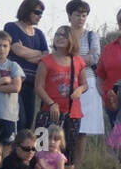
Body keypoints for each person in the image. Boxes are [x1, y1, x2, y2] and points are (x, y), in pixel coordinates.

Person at [34, 25, 87, 161]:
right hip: (50, 111)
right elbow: (39, 87)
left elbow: (84, 84)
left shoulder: (78, 61)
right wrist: (51, 103)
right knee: (43, 148)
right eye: (57, 35)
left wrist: (79, 90)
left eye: (63, 35)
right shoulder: (46, 61)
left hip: (72, 111)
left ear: (71, 39)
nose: (59, 38)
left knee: (68, 151)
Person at [67, 0, 104, 164]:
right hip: (65, 81)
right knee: (64, 127)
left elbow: (95, 57)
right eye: (77, 15)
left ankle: (77, 166)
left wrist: (72, 60)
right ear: (70, 15)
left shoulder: (91, 35)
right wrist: (82, 59)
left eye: (84, 15)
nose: (81, 18)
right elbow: (57, 55)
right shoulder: (63, 33)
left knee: (83, 129)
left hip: (88, 81)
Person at [6, 0, 48, 132]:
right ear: (27, 10)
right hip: (15, 81)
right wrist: (37, 53)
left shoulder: (39, 34)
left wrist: (26, 54)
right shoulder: (11, 27)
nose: (39, 16)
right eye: (37, 12)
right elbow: (17, 50)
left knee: (28, 121)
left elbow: (46, 57)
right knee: (19, 119)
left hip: (32, 83)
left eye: (41, 13)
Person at [0, 30, 24, 146]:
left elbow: (16, 87)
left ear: (10, 47)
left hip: (8, 115)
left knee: (7, 147)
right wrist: (4, 80)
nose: (1, 49)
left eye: (5, 46)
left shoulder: (13, 66)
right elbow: (9, 84)